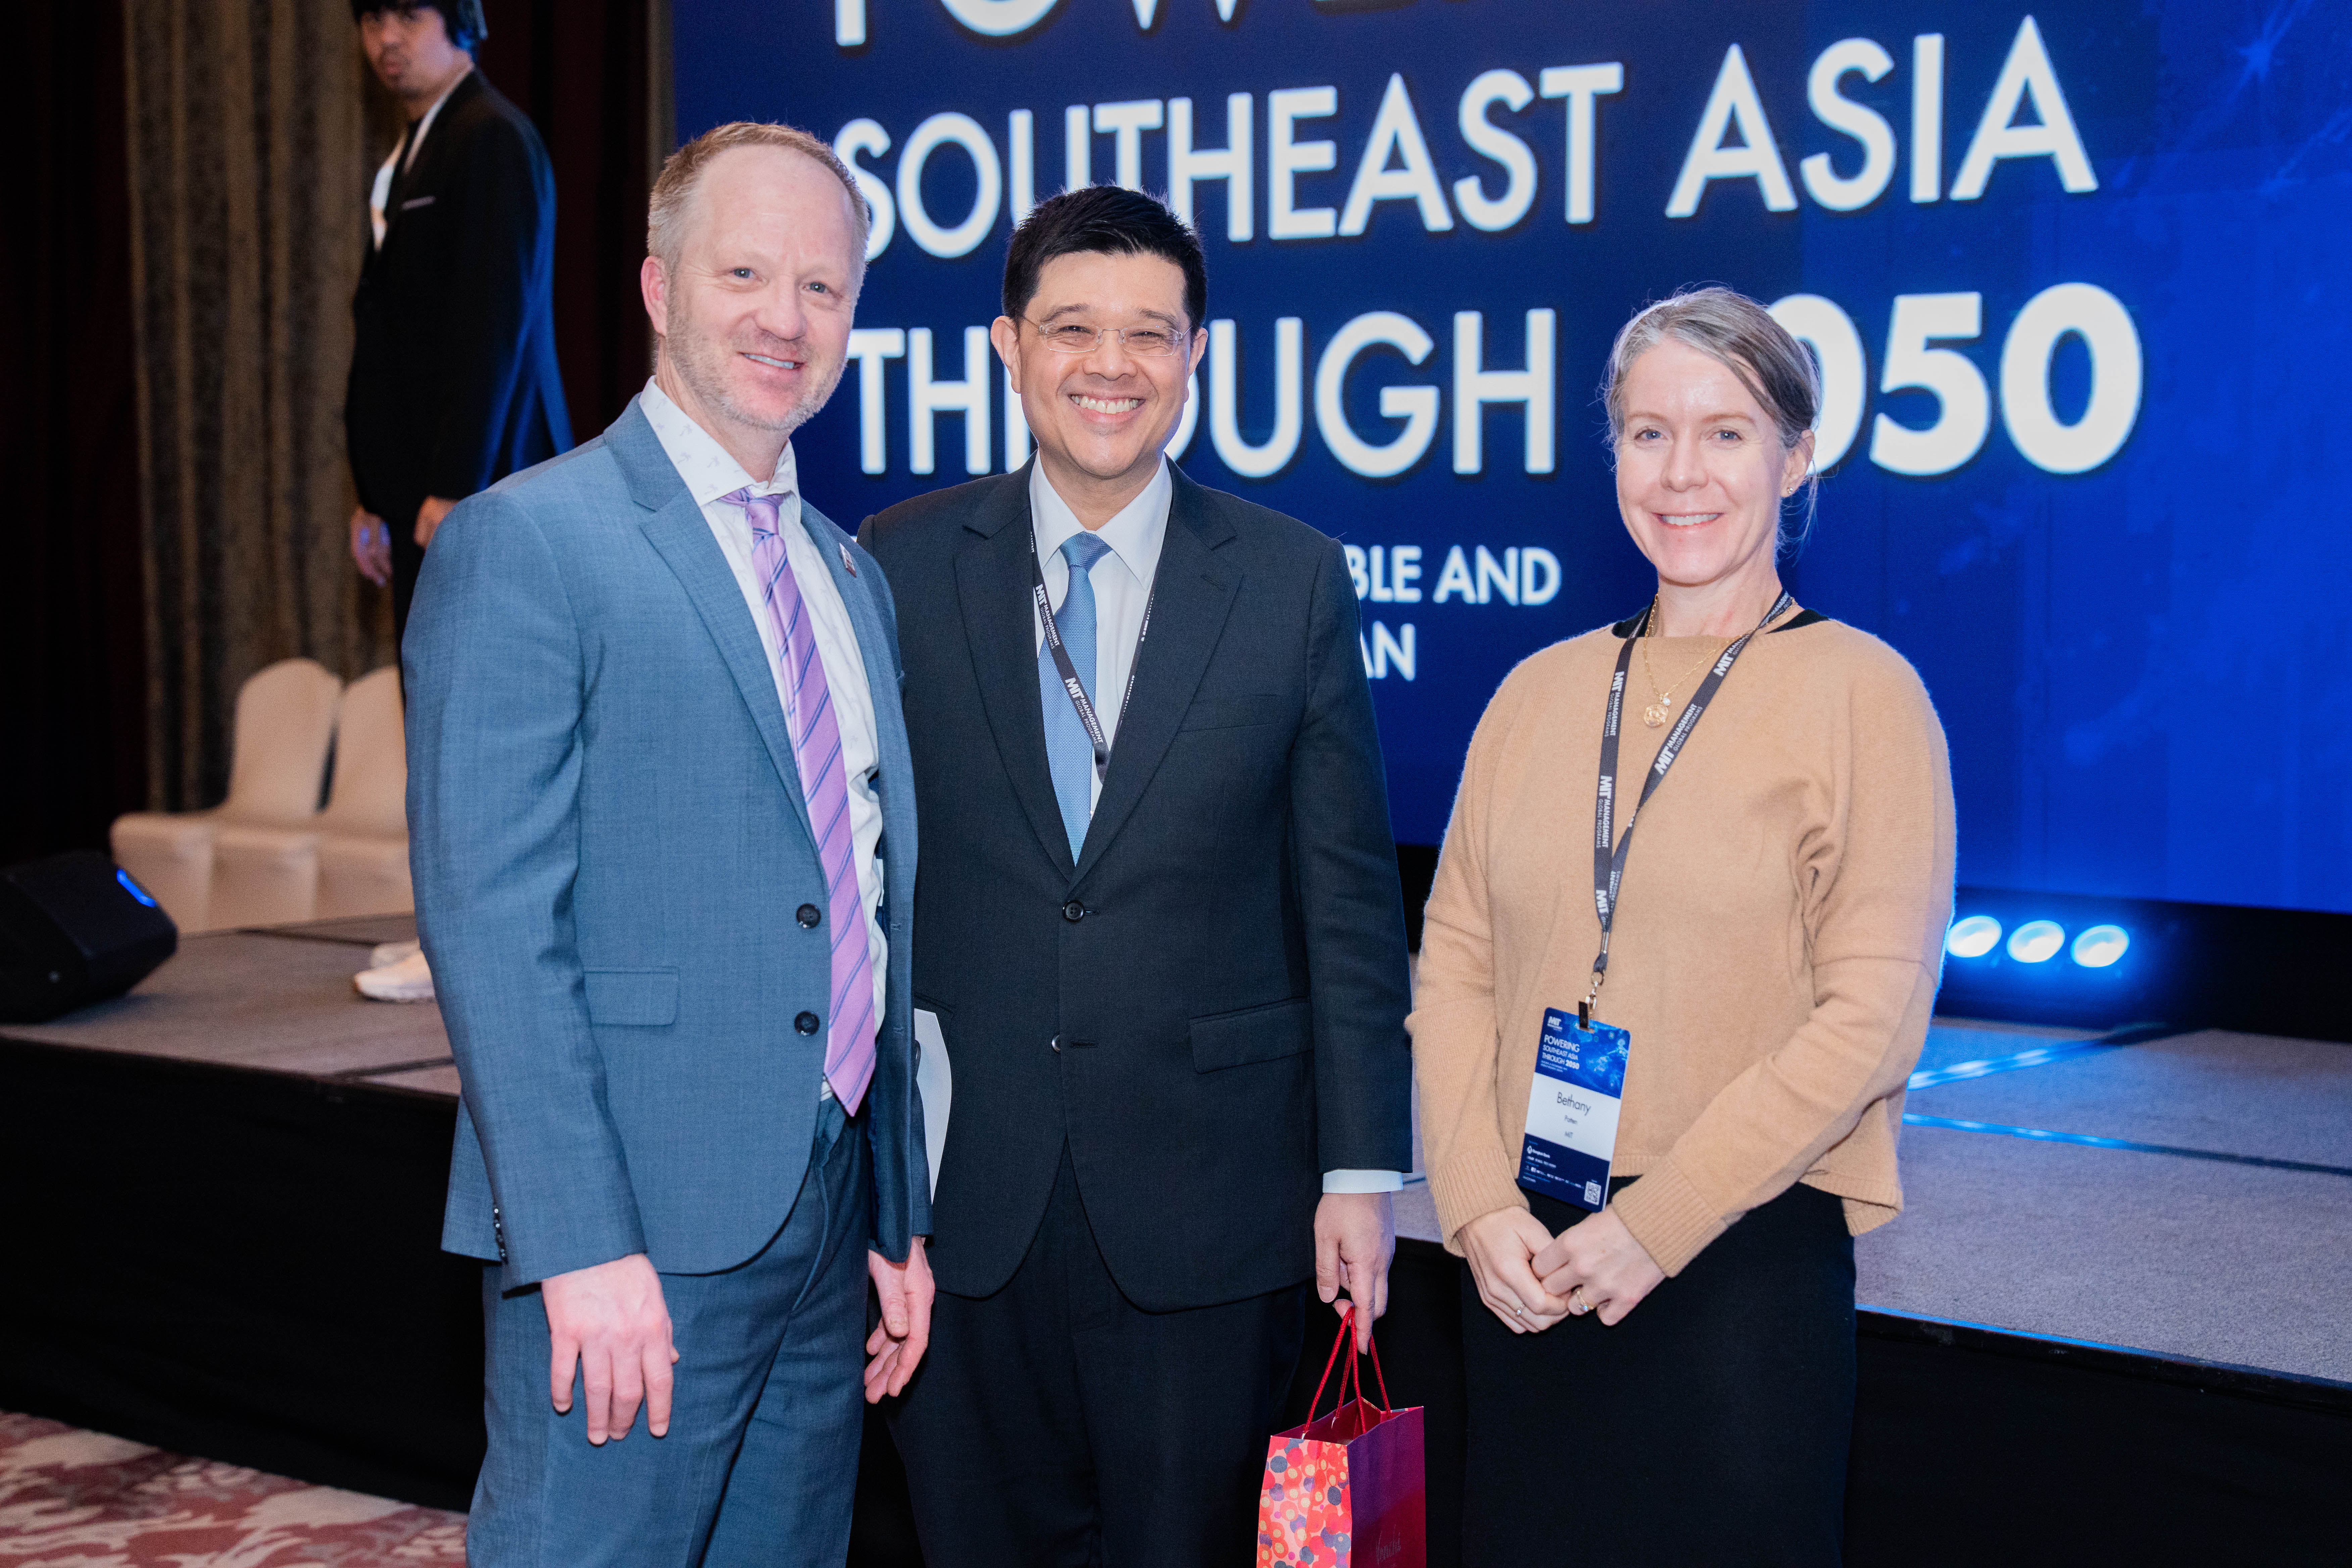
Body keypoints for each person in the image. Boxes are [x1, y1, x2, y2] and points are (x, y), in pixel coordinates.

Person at [860, 185, 1414, 1567]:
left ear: (1196, 359)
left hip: (1210, 1201)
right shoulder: (900, 562)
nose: (1111, 364)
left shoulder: (1292, 580)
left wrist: (1359, 1173)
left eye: (1150, 334)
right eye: (1072, 328)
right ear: (1008, 345)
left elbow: (1345, 902)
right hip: (962, 1199)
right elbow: (856, 882)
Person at [404, 122, 932, 1567]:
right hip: (628, 1237)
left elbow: (865, 903)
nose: (786, 316)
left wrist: (896, 1209)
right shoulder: (529, 543)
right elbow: (492, 921)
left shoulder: (851, 576)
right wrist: (576, 1240)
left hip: (826, 1231)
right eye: (746, 272)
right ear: (657, 285)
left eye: (823, 288)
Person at [1411, 287, 1956, 1565]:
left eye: (1724, 431)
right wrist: (1475, 1200)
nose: (1681, 472)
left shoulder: (1863, 696)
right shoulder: (1532, 694)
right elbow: (1454, 967)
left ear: (1795, 454)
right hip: (1524, 1267)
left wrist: (1657, 1226)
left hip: (1737, 1269)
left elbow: (1869, 1021)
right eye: (1647, 433)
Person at [345, 0, 570, 648]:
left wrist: (454, 490)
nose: (387, 39)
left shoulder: (491, 136)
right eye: (372, 20)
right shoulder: (420, 145)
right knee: (436, 719)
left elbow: (493, 328)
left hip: (479, 498)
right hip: (419, 504)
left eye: (409, 16)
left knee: (480, 719)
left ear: (461, 21)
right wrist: (374, 496)